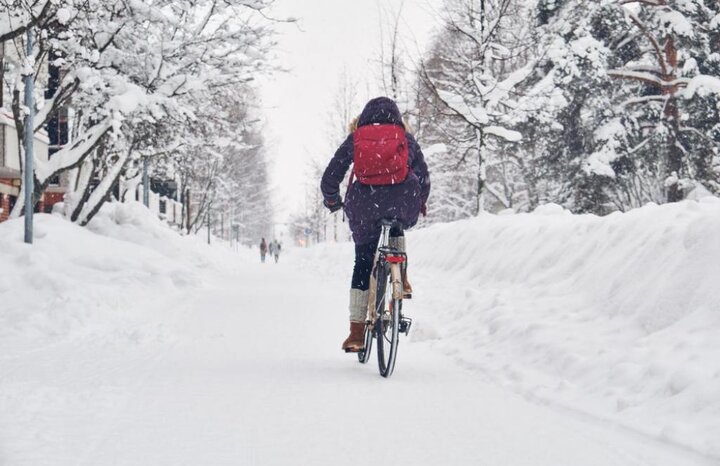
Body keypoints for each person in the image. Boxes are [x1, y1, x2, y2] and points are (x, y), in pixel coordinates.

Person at [321, 96, 430, 353]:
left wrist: (333, 200)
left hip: (365, 203)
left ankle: (357, 333)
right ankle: (400, 278)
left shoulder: (357, 138)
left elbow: (331, 175)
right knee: (396, 222)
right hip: (401, 197)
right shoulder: (404, 138)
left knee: (363, 260)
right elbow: (423, 176)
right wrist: (419, 201)